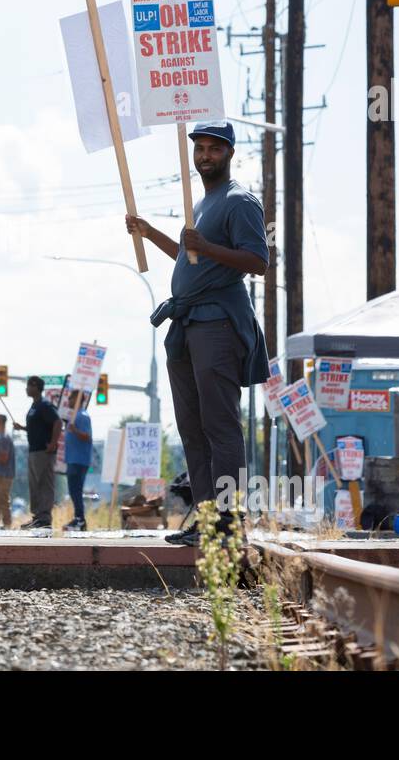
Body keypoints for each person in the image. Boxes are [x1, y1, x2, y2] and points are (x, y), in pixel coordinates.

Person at [125, 120, 269, 546]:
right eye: (199, 147)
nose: (205, 155)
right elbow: (191, 258)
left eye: (214, 148)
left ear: (229, 153)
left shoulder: (239, 201)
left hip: (217, 325)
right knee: (191, 426)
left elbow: (257, 261)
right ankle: (208, 520)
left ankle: (228, 523)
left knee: (220, 425)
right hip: (187, 327)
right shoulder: (203, 204)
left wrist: (203, 247)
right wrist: (151, 234)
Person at [13, 376, 62, 529]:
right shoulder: (34, 407)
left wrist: (53, 443)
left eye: (28, 386)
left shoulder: (44, 405)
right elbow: (37, 428)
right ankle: (37, 517)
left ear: (35, 387)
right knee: (34, 484)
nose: (26, 389)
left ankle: (45, 518)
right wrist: (22, 428)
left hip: (44, 451)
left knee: (45, 484)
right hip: (34, 450)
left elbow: (58, 422)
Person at [63, 404, 93, 531]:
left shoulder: (82, 416)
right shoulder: (74, 417)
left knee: (76, 490)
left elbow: (86, 436)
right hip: (72, 459)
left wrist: (74, 430)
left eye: (71, 399)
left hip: (78, 460)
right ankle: (78, 517)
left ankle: (80, 520)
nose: (69, 401)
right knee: (73, 491)